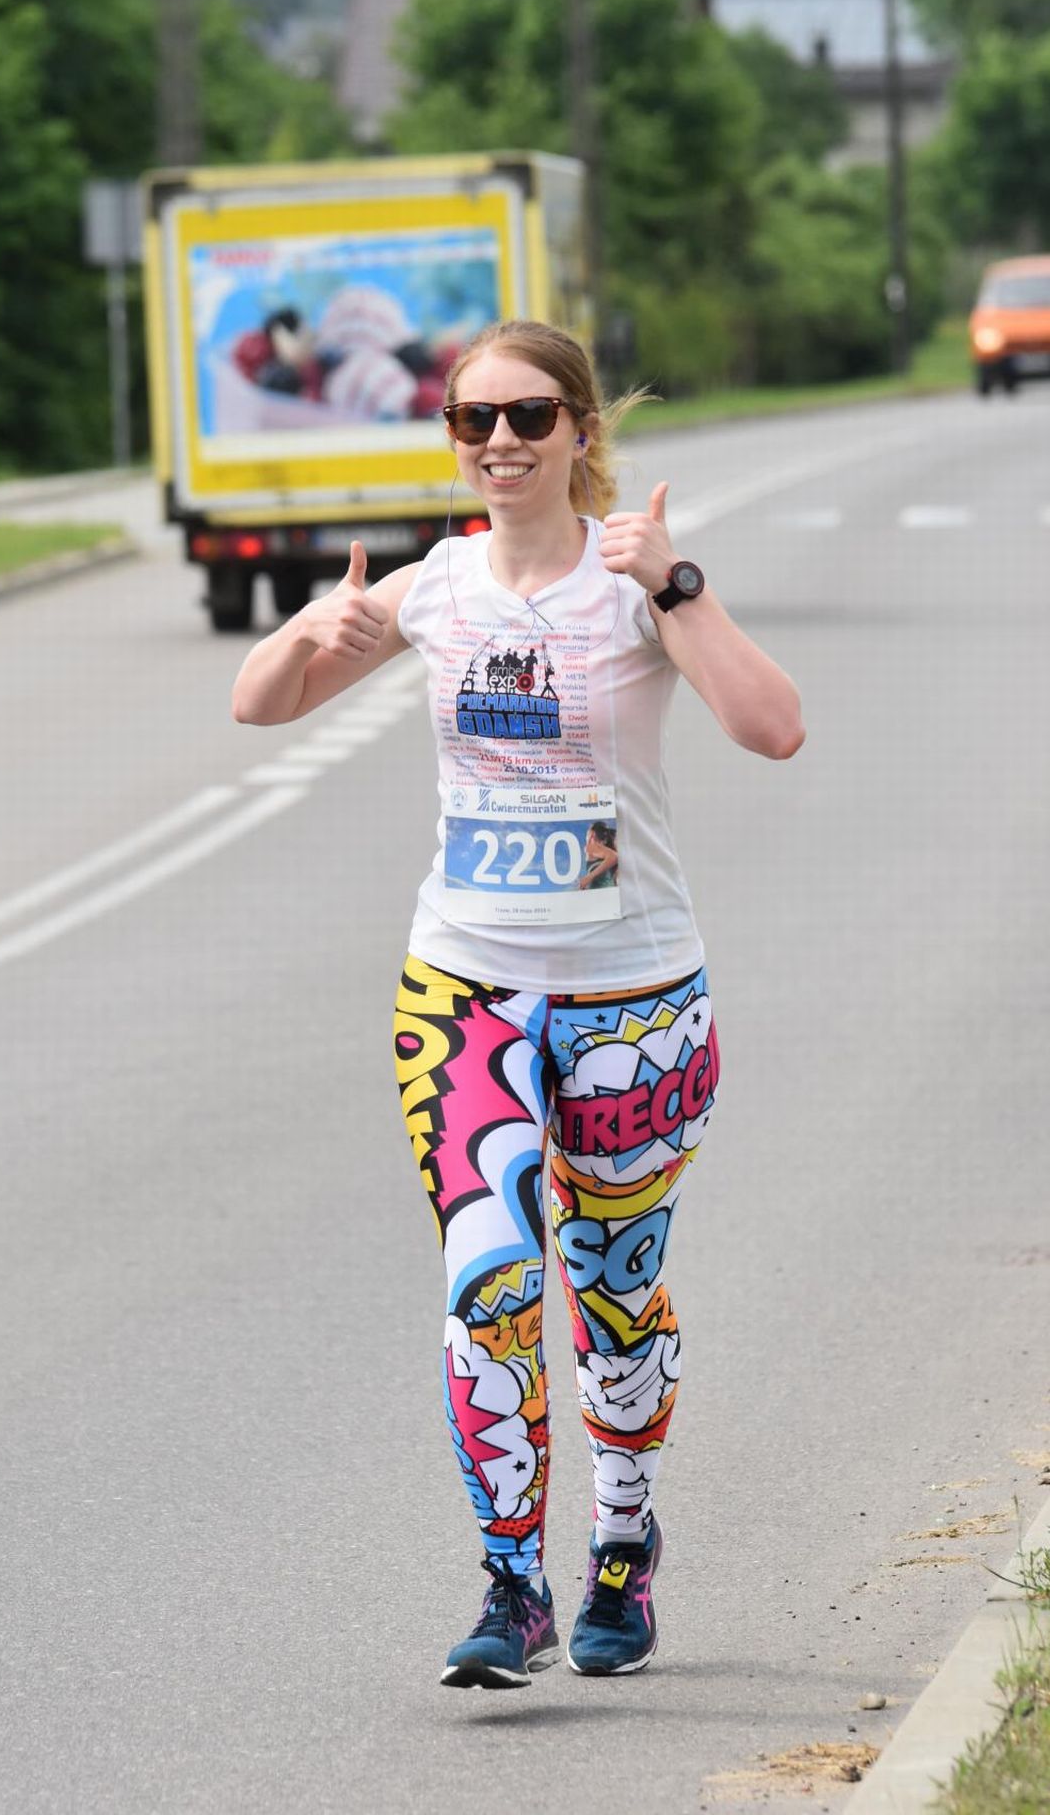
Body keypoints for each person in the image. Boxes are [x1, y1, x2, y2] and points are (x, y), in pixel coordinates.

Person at [231, 318, 805, 1690]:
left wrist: (680, 586)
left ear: (580, 430)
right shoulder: (435, 587)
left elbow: (775, 727)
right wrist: (312, 627)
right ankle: (511, 1585)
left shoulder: (634, 586)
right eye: (472, 419)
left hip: (634, 1003)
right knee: (487, 1284)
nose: (499, 441)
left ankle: (621, 1545)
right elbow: (259, 708)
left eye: (529, 416)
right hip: (466, 993)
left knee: (614, 1294)